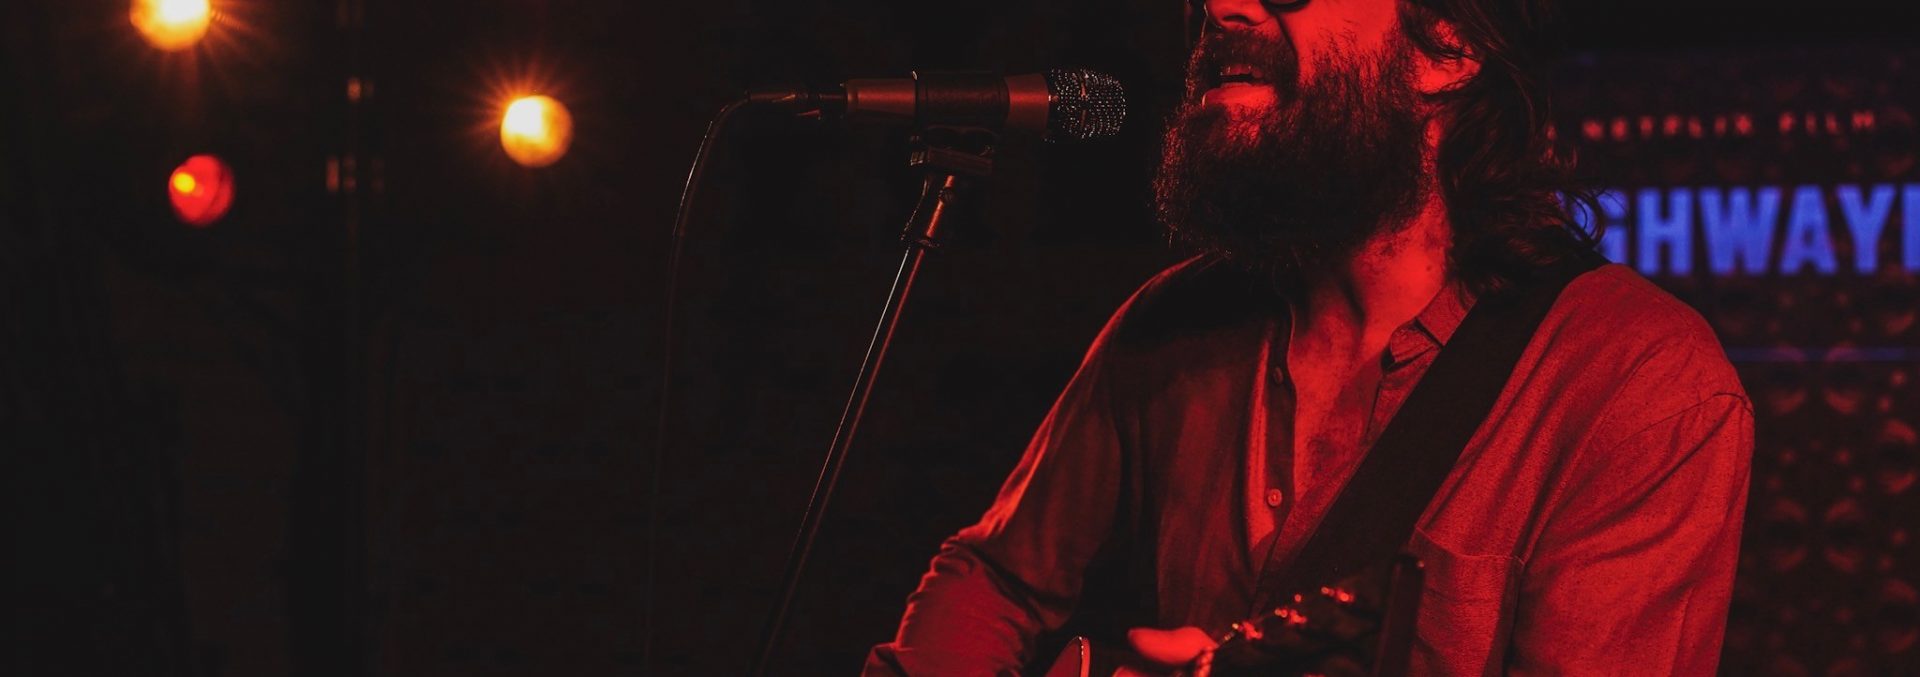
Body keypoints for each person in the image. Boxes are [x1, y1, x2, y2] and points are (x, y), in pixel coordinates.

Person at [865, 0, 1753, 674]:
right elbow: (997, 578)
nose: (1223, 9)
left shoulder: (1638, 384)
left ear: (1447, 45)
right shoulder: (1171, 324)